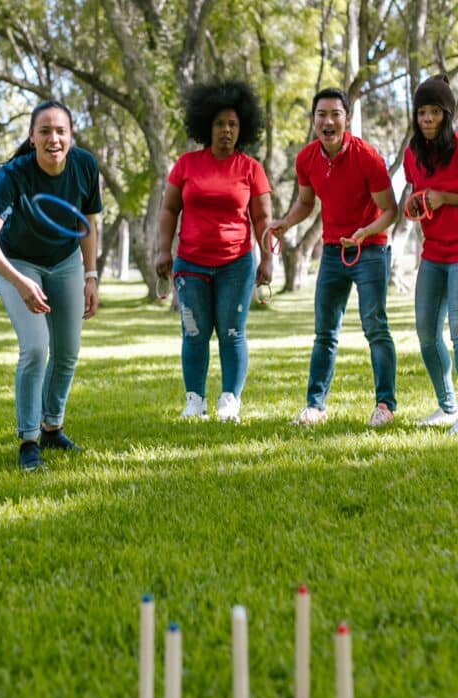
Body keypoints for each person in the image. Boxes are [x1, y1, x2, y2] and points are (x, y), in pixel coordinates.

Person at [0, 99, 101, 471]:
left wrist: (91, 276)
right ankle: (28, 441)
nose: (53, 139)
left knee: (68, 350)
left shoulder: (85, 165)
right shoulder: (14, 174)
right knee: (34, 348)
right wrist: (19, 282)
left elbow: (87, 223)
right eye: (44, 131)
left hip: (65, 261)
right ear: (32, 137)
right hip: (18, 261)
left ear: (71, 136)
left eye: (61, 131)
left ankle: (52, 428)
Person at [269, 87, 398, 427]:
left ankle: (385, 406)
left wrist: (365, 233)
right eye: (321, 114)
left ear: (347, 119)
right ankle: (315, 407)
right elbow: (306, 202)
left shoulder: (367, 157)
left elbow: (390, 210)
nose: (328, 121)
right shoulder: (306, 159)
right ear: (313, 120)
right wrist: (286, 222)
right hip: (331, 252)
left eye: (335, 114)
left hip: (370, 249)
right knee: (324, 332)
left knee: (375, 327)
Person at [155, 80, 273, 423]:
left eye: (233, 124)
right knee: (194, 333)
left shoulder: (251, 168)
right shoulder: (186, 164)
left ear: (242, 128)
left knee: (232, 332)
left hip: (236, 264)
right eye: (220, 123)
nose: (226, 130)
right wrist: (163, 250)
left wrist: (267, 258)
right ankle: (194, 401)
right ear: (207, 126)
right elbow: (168, 210)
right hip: (190, 263)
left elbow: (263, 218)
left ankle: (229, 400)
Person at [404, 75, 458, 432]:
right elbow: (416, 193)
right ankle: (448, 406)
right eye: (421, 112)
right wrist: (414, 204)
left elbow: (441, 196)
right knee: (426, 332)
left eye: (434, 112)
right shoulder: (412, 154)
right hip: (432, 254)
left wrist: (444, 198)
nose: (427, 118)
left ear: (446, 115)